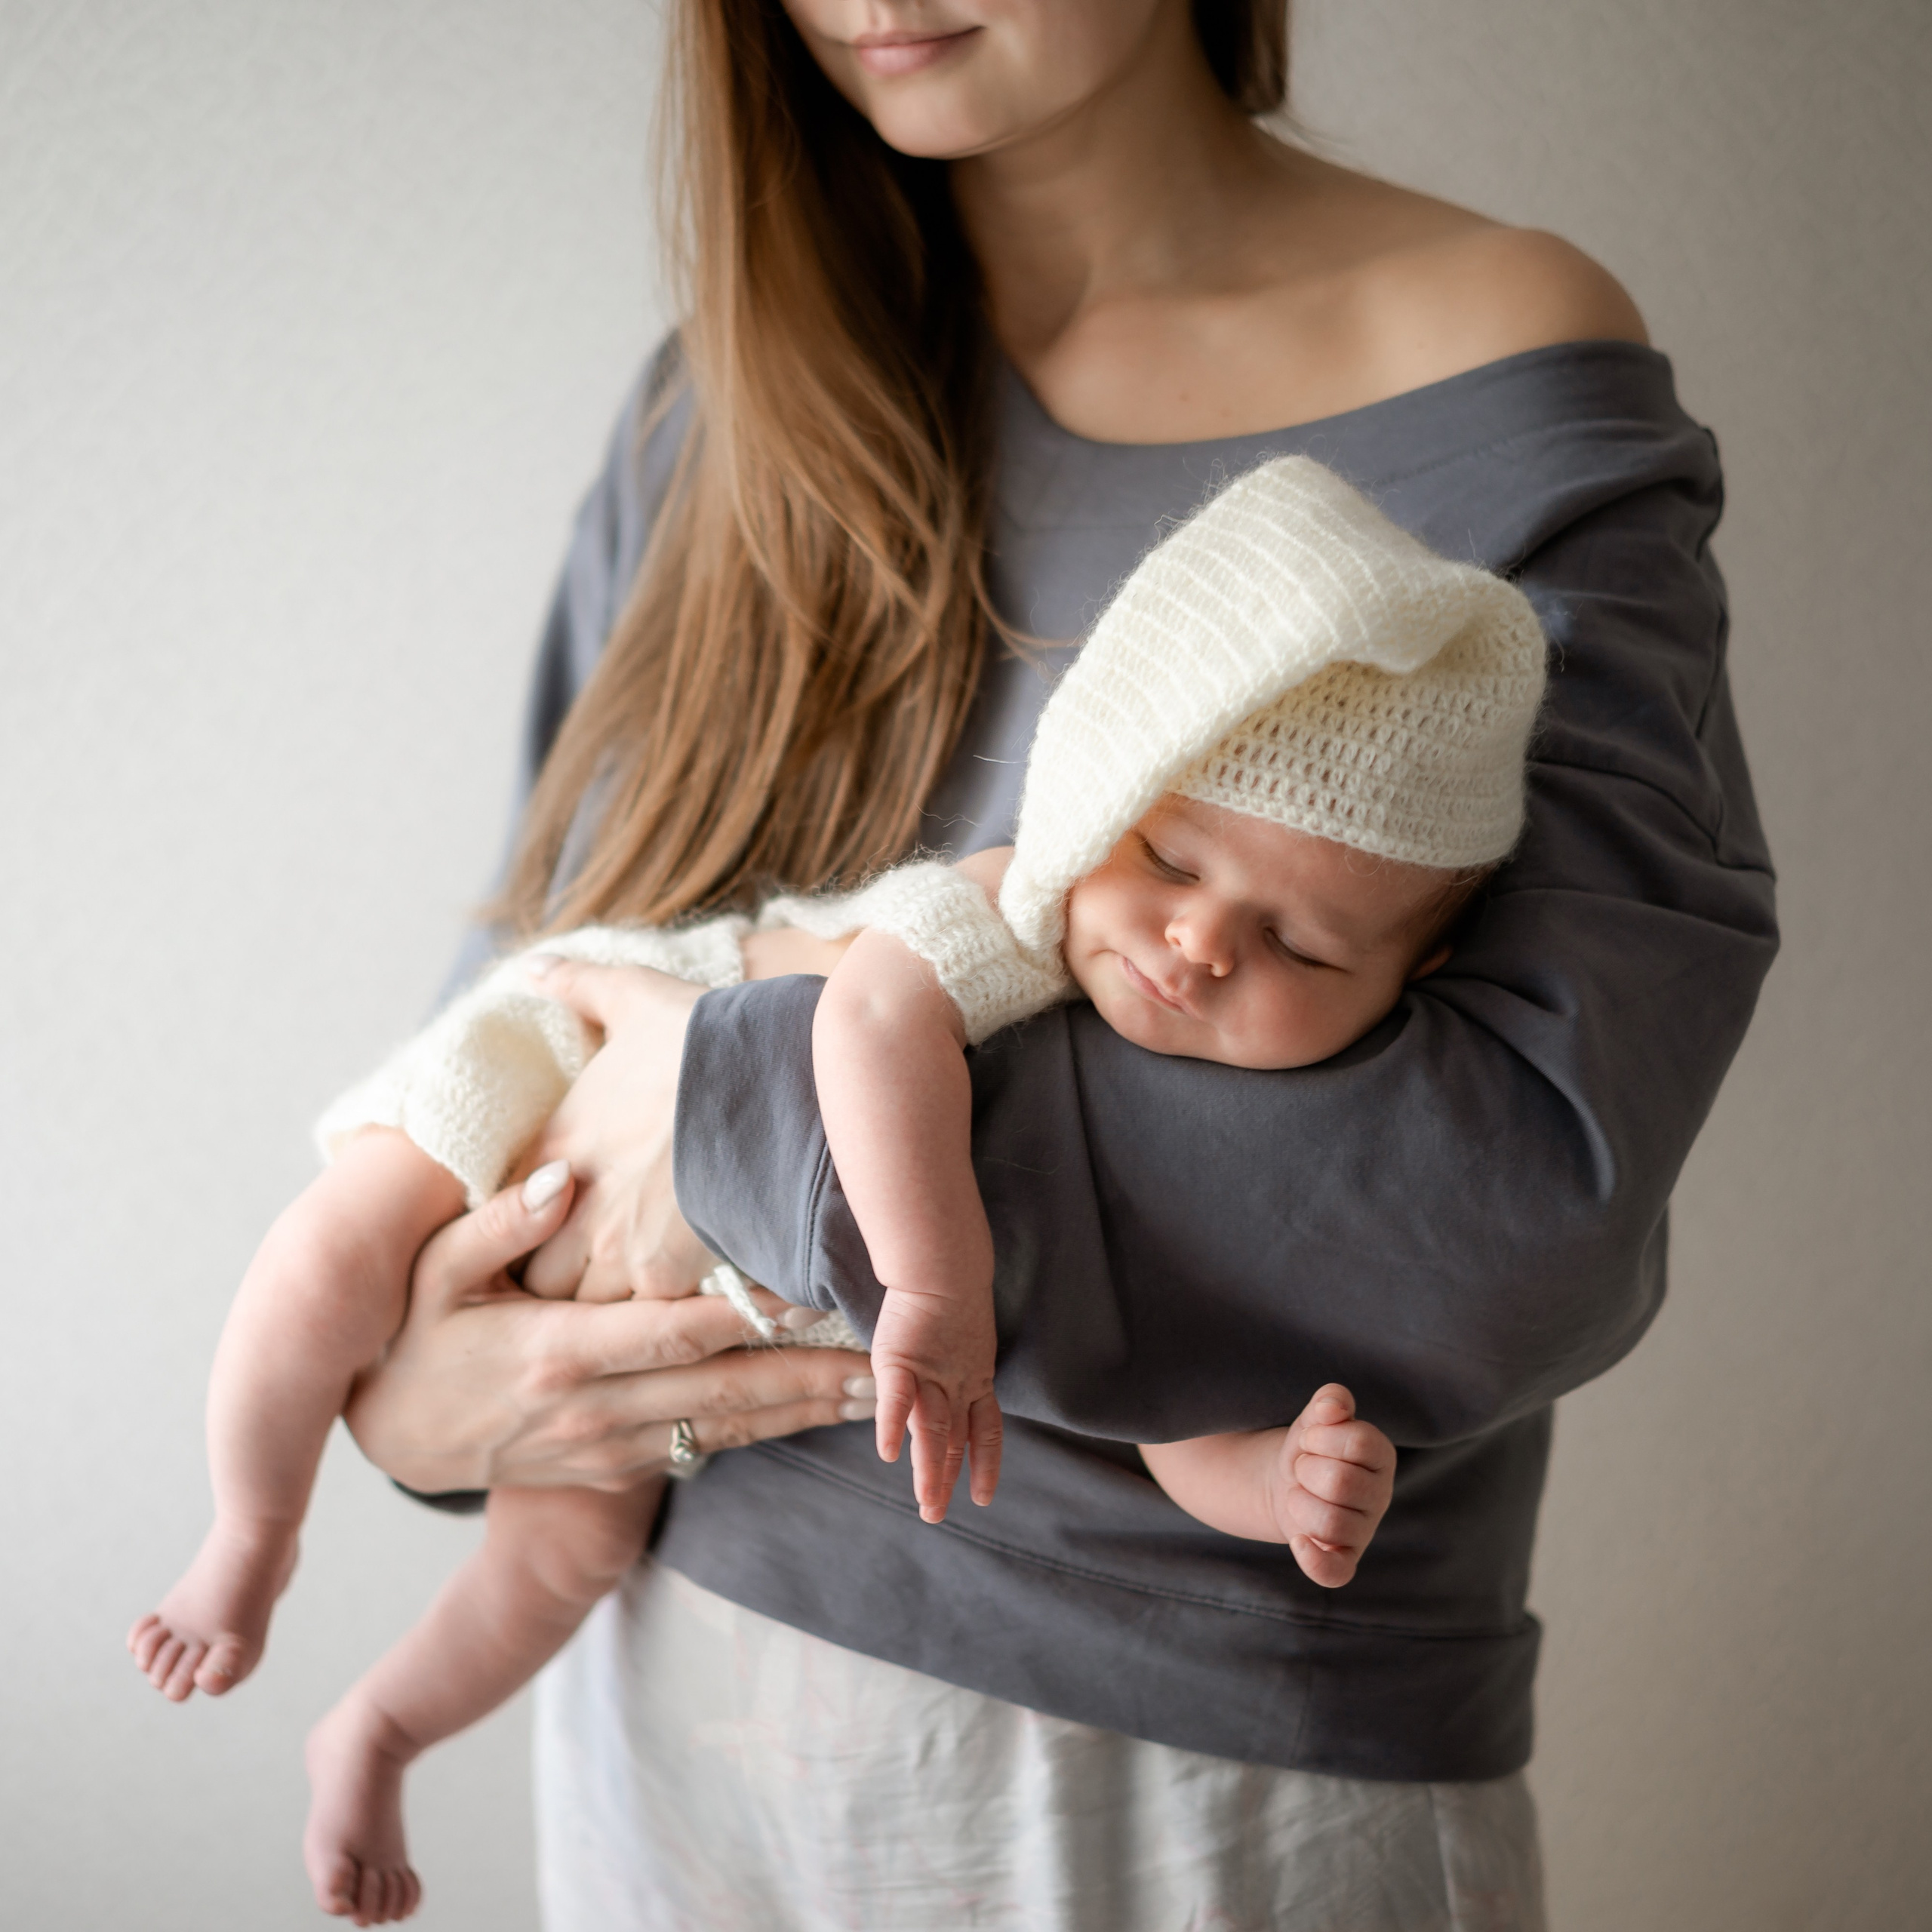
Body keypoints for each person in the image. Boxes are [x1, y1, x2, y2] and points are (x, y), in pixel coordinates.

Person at [324, 3, 1777, 1927]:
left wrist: (728, 1101)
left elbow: (1520, 1193)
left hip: (1204, 1781)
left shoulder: (1499, 387)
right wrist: (414, 1393)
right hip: (662, 1722)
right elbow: (506, 1034)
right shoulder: (724, 409)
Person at [132, 454, 1542, 1922]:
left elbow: (1145, 1378)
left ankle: (376, 1728)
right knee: (340, 1248)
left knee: (569, 1542)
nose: (1195, 943)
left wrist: (1273, 1481)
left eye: (1303, 950)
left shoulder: (1246, 1088)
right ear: (1096, 795)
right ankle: (249, 1528)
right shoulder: (1027, 905)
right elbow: (864, 1021)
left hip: (699, 1300)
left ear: (1409, 977)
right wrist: (934, 1287)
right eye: (1168, 855)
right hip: (587, 1054)